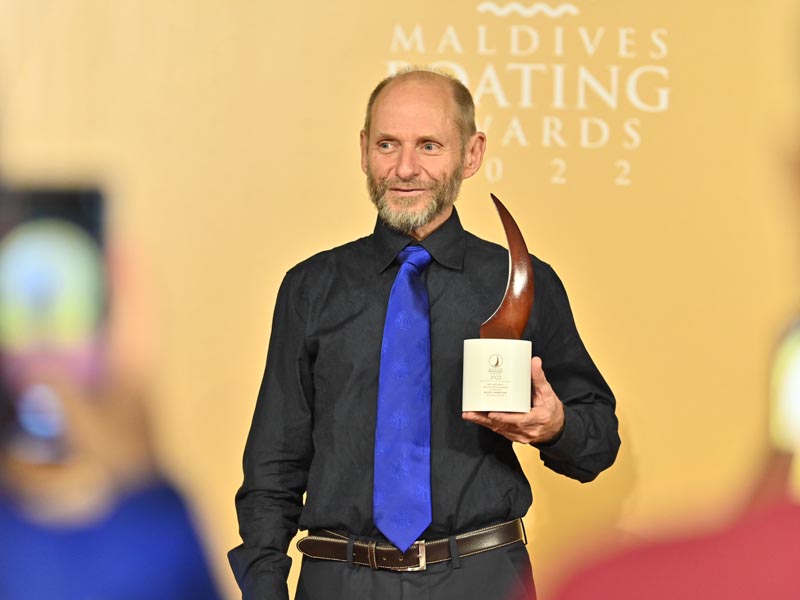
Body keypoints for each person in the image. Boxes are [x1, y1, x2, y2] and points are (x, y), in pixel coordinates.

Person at [229, 68, 620, 600]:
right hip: (338, 580)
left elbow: (598, 443)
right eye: (388, 144)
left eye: (429, 145)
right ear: (365, 150)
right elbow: (273, 466)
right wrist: (265, 588)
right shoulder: (310, 287)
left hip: (481, 577)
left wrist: (556, 427)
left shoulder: (519, 281)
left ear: (472, 154)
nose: (405, 168)